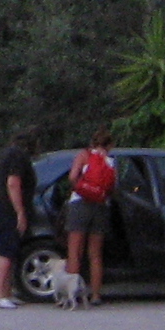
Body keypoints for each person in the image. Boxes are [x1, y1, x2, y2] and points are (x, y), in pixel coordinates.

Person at [65, 129, 117, 307]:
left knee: (75, 252)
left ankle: (72, 295)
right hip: (100, 207)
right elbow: (112, 187)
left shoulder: (84, 155)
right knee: (95, 254)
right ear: (110, 145)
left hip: (80, 204)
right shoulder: (110, 161)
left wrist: (81, 189)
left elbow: (72, 177)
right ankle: (95, 295)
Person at [0, 133, 39, 308]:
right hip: (7, 209)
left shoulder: (8, 154)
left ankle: (7, 292)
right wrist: (20, 211)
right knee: (7, 250)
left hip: (2, 207)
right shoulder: (18, 156)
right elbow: (13, 183)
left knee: (12, 249)